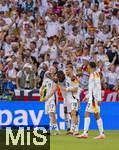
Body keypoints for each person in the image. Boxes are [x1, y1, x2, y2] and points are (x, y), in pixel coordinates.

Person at [77, 62, 105, 139]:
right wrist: (87, 96)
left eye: (88, 66)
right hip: (93, 97)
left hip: (94, 99)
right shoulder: (94, 74)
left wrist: (99, 98)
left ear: (89, 66)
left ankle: (85, 133)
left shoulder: (95, 74)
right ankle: (101, 133)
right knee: (97, 115)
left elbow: (98, 86)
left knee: (86, 113)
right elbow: (93, 88)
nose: (87, 67)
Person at [58, 64, 80, 135]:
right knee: (71, 114)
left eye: (67, 70)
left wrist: (66, 89)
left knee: (74, 113)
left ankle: (76, 130)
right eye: (65, 70)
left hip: (74, 98)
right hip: (68, 99)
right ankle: (72, 129)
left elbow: (76, 89)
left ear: (71, 70)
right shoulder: (65, 77)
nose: (66, 71)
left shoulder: (74, 78)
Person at [40, 66, 59, 135]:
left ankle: (50, 130)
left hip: (53, 98)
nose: (50, 69)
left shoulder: (56, 78)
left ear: (55, 71)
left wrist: (47, 96)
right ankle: (57, 130)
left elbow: (54, 89)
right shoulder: (46, 79)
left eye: (53, 69)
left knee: (51, 112)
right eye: (50, 68)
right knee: (51, 115)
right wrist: (41, 92)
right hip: (47, 99)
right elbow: (42, 87)